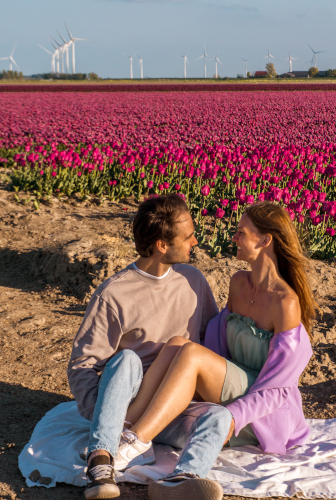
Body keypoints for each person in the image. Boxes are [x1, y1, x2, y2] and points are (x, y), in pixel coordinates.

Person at [117, 201, 315, 500]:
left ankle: (138, 440)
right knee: (177, 344)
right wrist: (187, 383)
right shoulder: (238, 283)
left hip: (262, 408)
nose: (233, 237)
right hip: (233, 385)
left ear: (265, 240)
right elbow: (218, 349)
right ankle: (127, 424)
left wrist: (231, 416)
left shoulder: (285, 303)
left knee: (191, 354)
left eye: (241, 232)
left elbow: (278, 389)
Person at [68, 194, 233, 500]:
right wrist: (104, 418)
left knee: (219, 418)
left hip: (170, 406)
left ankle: (183, 478)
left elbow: (211, 341)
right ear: (161, 245)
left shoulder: (193, 280)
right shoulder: (115, 293)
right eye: (188, 237)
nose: (194, 242)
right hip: (126, 400)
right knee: (127, 359)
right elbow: (82, 364)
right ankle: (100, 460)